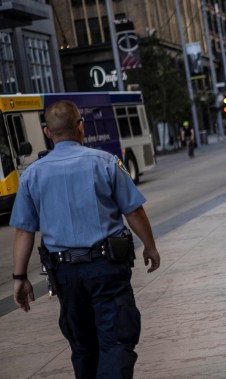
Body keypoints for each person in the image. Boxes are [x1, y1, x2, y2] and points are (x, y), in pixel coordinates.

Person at [11, 100, 161, 378]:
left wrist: (19, 277)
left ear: (47, 132)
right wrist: (150, 246)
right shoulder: (106, 162)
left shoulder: (32, 174)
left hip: (65, 274)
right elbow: (134, 211)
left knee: (82, 346)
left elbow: (24, 231)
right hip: (107, 269)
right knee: (116, 339)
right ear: (81, 126)